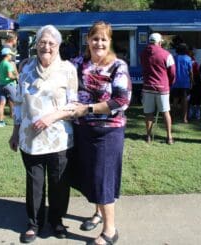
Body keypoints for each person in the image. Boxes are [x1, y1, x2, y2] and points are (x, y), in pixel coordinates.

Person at [8, 25, 78, 243]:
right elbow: (19, 103)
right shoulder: (26, 67)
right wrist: (15, 131)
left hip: (59, 138)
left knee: (59, 184)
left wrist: (51, 117)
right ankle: (34, 224)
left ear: (57, 46)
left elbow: (74, 106)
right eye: (42, 42)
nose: (46, 46)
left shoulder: (68, 69)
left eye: (51, 43)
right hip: (30, 140)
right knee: (35, 184)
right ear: (36, 44)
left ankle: (56, 221)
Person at [72, 21, 132, 245]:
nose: (99, 43)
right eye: (95, 38)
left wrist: (87, 109)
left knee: (104, 178)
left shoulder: (118, 66)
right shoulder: (78, 63)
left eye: (103, 39)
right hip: (83, 131)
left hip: (108, 133)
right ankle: (98, 213)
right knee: (92, 177)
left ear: (109, 42)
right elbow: (58, 72)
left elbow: (121, 100)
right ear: (88, 40)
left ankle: (110, 231)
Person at [140, 32, 176, 144]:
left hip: (147, 87)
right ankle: (169, 137)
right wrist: (170, 83)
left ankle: (148, 136)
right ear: (159, 42)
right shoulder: (166, 54)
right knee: (165, 112)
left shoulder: (143, 53)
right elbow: (173, 73)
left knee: (148, 113)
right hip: (162, 87)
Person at [171, 43, 193, 123]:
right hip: (185, 83)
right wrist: (192, 82)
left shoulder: (173, 58)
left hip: (175, 82)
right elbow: (190, 72)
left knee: (175, 101)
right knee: (185, 101)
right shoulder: (188, 58)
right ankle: (184, 118)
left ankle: (172, 117)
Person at [0, 48, 18, 127]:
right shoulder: (8, 64)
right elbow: (10, 76)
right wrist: (17, 76)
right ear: (7, 55)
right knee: (18, 103)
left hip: (1, 85)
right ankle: (20, 121)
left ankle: (1, 122)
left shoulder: (1, 64)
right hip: (9, 85)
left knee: (1, 104)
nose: (11, 56)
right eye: (10, 54)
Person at [188, 46, 201, 120]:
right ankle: (194, 114)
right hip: (192, 81)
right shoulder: (192, 62)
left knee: (194, 99)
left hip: (194, 81)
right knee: (192, 99)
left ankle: (196, 114)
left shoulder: (194, 62)